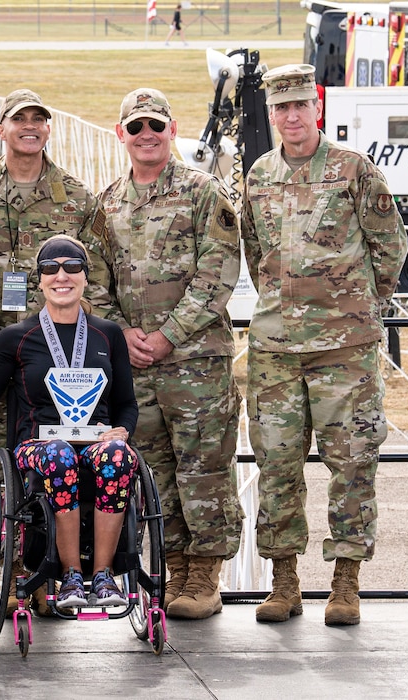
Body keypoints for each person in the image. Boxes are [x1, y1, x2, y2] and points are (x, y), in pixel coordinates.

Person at [241, 64, 408, 626]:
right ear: (270, 115)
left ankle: (345, 583)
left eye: (300, 106)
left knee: (352, 463)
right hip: (275, 351)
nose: (291, 117)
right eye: (280, 108)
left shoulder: (352, 170)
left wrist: (359, 308)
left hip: (345, 349)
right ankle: (284, 583)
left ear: (317, 108)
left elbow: (388, 247)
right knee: (277, 466)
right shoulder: (258, 174)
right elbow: (254, 251)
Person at [99, 88, 244, 620]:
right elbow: (93, 280)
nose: (146, 136)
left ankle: (204, 573)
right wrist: (121, 333)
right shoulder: (108, 202)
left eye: (156, 126)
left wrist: (168, 335)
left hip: (195, 363)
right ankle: (173, 565)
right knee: (154, 471)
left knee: (203, 468)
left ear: (172, 130)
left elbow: (218, 272)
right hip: (136, 366)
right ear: (122, 134)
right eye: (136, 127)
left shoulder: (203, 192)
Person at [0, 234, 138, 610]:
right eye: (50, 268)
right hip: (39, 446)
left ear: (85, 277)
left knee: (119, 457)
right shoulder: (16, 337)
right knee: (58, 455)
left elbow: (126, 404)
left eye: (72, 267)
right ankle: (71, 574)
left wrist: (123, 431)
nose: (62, 276)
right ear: (38, 280)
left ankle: (103, 575)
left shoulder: (108, 334)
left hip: (96, 443)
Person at [0, 89, 116, 468]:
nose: (29, 127)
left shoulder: (77, 198)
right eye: (19, 119)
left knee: (61, 465)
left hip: (58, 362)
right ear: (1, 129)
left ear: (48, 129)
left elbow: (97, 279)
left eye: (37, 120)